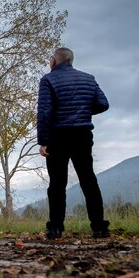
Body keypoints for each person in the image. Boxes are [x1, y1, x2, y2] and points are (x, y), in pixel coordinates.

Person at [37, 47, 110, 240]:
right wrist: (82, 111)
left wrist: (43, 141)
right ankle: (99, 228)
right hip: (82, 134)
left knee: (57, 183)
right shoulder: (89, 78)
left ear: (54, 61)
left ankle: (55, 228)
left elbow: (45, 112)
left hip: (57, 136)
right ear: (71, 60)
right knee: (88, 180)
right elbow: (103, 103)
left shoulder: (48, 80)